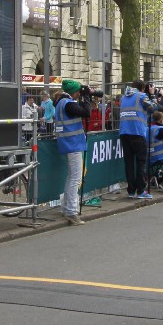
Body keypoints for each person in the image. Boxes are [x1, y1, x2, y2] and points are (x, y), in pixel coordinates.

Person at [56, 80, 92, 225]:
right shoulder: (68, 104)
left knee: (71, 177)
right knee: (75, 179)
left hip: (67, 143)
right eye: (78, 92)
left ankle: (67, 208)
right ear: (74, 92)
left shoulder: (60, 102)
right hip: (73, 143)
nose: (78, 94)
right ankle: (71, 212)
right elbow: (86, 113)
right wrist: (87, 97)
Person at [119, 79, 155, 200]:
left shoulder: (123, 97)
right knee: (141, 162)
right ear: (143, 88)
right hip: (138, 132)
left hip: (124, 132)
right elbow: (153, 108)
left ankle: (131, 190)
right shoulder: (141, 96)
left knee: (129, 163)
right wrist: (153, 95)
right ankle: (141, 190)